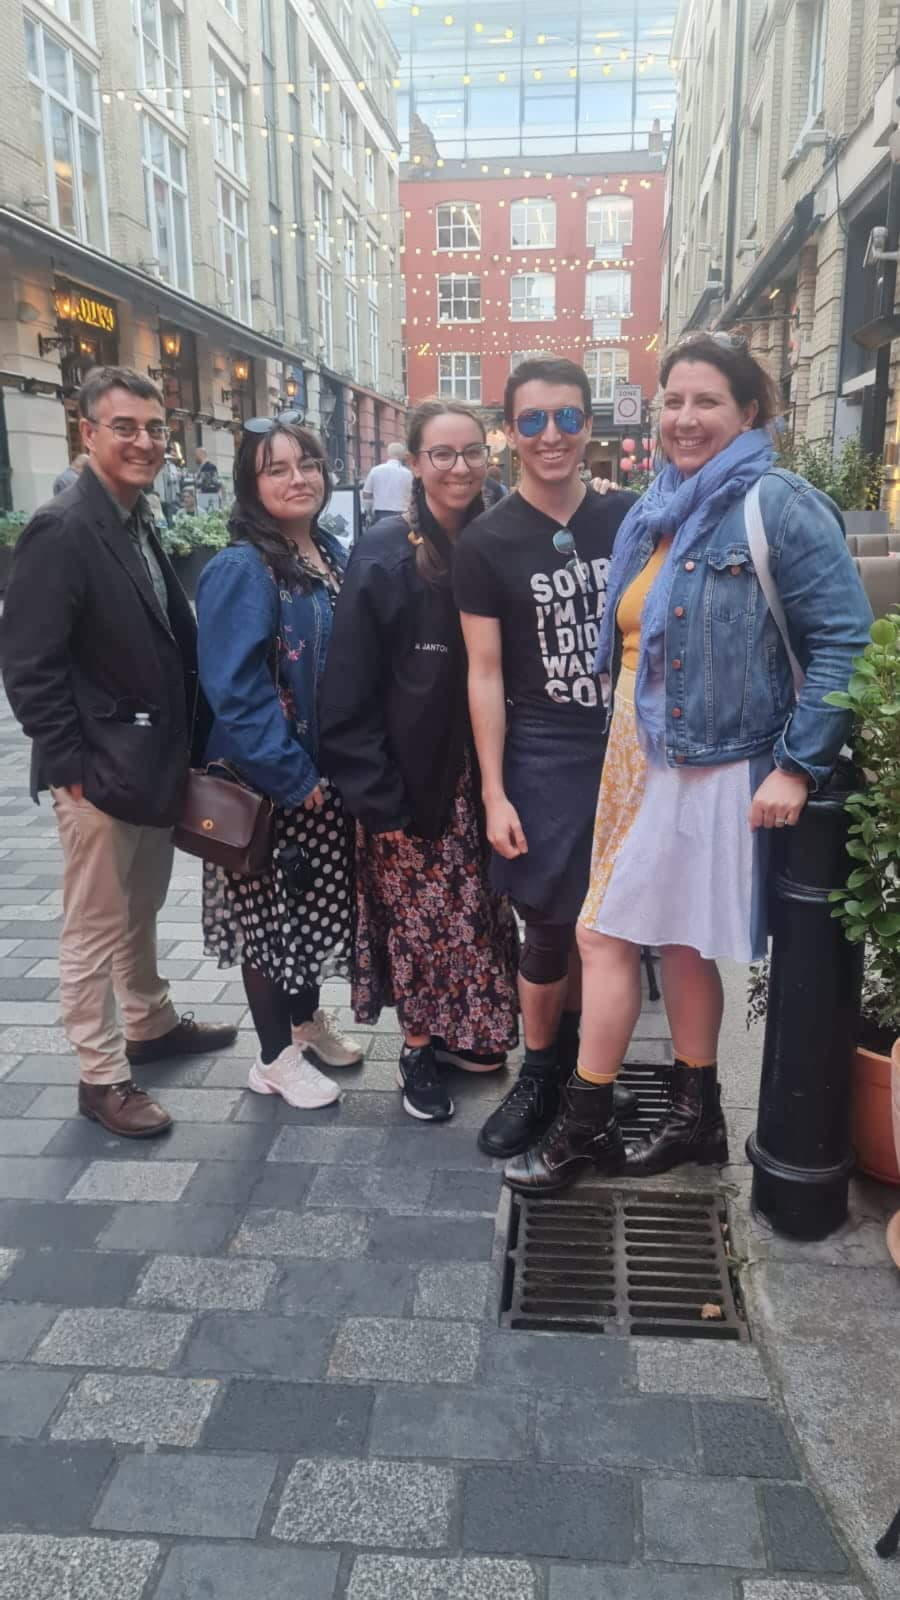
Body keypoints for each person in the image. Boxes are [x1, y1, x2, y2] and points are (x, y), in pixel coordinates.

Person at [504, 332, 874, 1194]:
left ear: (749, 411)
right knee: (675, 942)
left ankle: (585, 1126)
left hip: (709, 762)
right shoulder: (661, 505)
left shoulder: (777, 504)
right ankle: (697, 1117)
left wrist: (798, 765)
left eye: (707, 401)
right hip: (639, 753)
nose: (685, 417)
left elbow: (844, 640)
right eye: (672, 400)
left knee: (601, 935)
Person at [2, 367, 237, 1137]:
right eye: (125, 427)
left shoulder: (134, 517)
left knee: (139, 908)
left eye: (155, 428)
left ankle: (150, 1022)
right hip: (98, 772)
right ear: (88, 432)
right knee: (95, 926)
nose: (145, 441)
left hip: (148, 764)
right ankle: (100, 1076)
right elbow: (29, 664)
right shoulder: (63, 527)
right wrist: (69, 767)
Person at [453, 358, 638, 1161]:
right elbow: (484, 674)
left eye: (566, 417)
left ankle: (586, 1074)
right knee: (549, 926)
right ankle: (539, 1073)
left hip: (629, 746)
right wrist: (494, 791)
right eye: (532, 420)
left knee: (614, 928)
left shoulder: (629, 518)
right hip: (542, 750)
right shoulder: (486, 542)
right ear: (509, 433)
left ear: (589, 424)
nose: (551, 434)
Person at [320, 400, 519, 1123]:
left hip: (484, 772)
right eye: (442, 454)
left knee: (476, 913)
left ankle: (464, 1033)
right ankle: (416, 1047)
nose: (459, 467)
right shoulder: (385, 552)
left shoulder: (499, 535)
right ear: (414, 462)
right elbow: (347, 687)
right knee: (416, 920)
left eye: (471, 452)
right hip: (409, 778)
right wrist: (376, 795)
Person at [196, 418, 361, 1110]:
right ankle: (271, 1060)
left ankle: (304, 1024)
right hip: (268, 785)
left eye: (308, 464)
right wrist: (292, 775)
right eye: (277, 469)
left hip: (324, 776)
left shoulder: (329, 550)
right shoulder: (243, 568)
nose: (299, 479)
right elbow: (234, 689)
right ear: (251, 484)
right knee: (269, 924)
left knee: (310, 910)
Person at [362, 442, 412, 525]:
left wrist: (368, 511)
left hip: (380, 513)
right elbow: (412, 494)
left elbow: (366, 494)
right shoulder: (408, 474)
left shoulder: (375, 470)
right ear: (402, 455)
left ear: (388, 453)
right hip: (402, 514)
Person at [154, 451, 182, 526]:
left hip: (169, 495)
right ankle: (162, 528)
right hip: (158, 494)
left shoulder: (171, 467)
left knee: (170, 514)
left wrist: (171, 476)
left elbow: (175, 478)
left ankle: (170, 526)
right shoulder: (155, 467)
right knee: (160, 515)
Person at [194, 448, 222, 513]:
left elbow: (208, 484)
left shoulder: (209, 466)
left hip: (208, 497)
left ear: (201, 454)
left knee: (208, 514)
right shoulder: (203, 466)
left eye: (196, 455)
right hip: (206, 497)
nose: (195, 458)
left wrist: (197, 483)